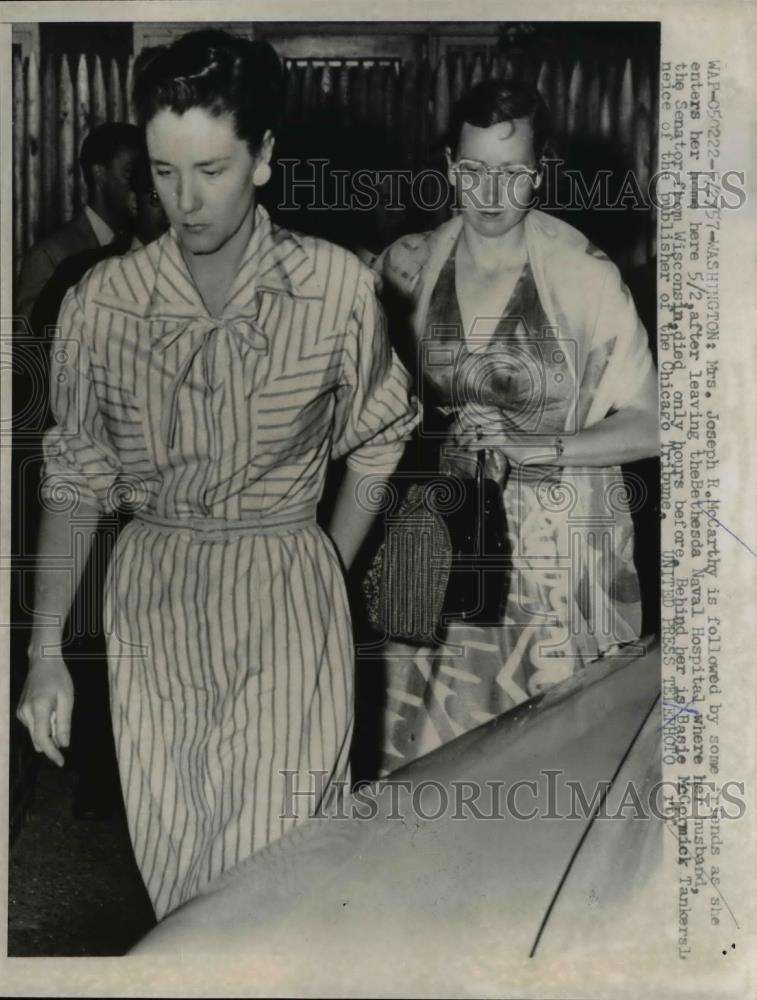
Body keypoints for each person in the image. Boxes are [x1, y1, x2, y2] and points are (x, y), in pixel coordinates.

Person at [15, 29, 416, 920]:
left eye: (212, 170)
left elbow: (382, 435)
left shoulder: (335, 290)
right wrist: (44, 653)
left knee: (268, 884)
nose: (185, 201)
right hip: (152, 595)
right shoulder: (103, 303)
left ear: (265, 156)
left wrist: (324, 565)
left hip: (284, 593)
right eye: (162, 173)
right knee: (181, 879)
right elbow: (77, 479)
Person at [369, 79, 659, 776]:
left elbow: (655, 423)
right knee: (429, 767)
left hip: (558, 558)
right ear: (448, 165)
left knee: (548, 773)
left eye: (512, 174)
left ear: (541, 171)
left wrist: (536, 444)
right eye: (472, 171)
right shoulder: (412, 262)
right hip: (447, 539)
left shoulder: (581, 274)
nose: (490, 195)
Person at [15, 122, 142, 321]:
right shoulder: (49, 257)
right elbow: (31, 346)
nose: (140, 185)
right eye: (130, 173)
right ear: (99, 173)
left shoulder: (140, 246)